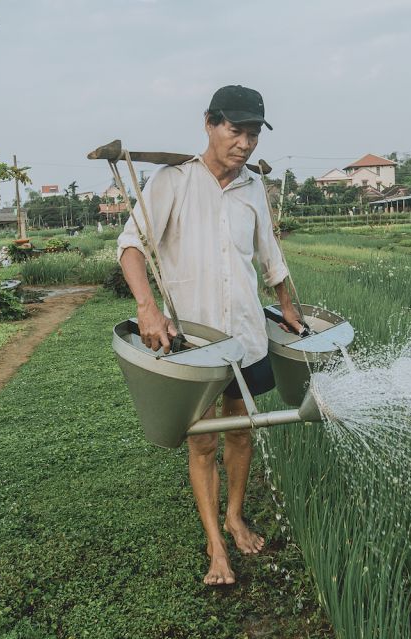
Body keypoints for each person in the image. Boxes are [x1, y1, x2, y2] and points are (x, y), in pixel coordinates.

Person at [116, 85, 303, 586]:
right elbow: (131, 246)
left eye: (253, 133)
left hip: (246, 336)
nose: (244, 143)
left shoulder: (253, 190)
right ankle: (215, 545)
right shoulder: (173, 181)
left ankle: (235, 517)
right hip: (194, 343)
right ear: (209, 124)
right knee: (202, 445)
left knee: (241, 430)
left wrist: (288, 308)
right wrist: (147, 309)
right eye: (234, 130)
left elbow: (271, 259)